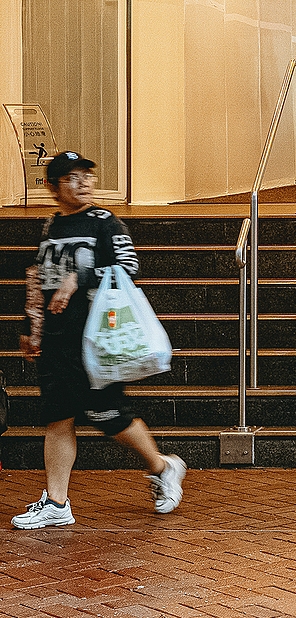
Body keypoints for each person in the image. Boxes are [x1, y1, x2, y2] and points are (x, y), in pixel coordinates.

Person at [11, 152, 186, 530]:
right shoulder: (51, 226)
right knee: (57, 418)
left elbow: (128, 266)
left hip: (96, 338)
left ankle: (163, 466)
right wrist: (31, 324)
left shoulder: (105, 223)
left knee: (108, 415)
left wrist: (80, 278)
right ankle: (57, 503)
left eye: (87, 176)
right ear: (52, 186)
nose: (83, 183)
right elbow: (38, 274)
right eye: (72, 178)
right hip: (57, 339)